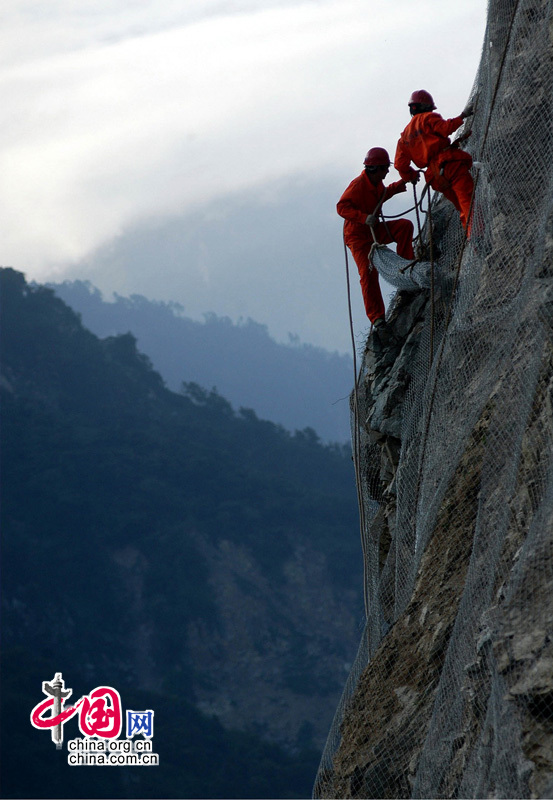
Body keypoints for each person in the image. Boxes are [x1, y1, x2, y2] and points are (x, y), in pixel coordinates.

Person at [337, 147, 414, 328]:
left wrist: (403, 183)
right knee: (368, 273)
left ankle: (407, 272)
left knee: (404, 227)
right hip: (358, 237)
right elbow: (341, 207)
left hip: (373, 229)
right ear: (376, 168)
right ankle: (377, 318)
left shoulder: (376, 183)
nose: (388, 170)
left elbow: (381, 196)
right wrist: (364, 218)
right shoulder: (358, 186)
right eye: (385, 167)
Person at [395, 90, 475, 229]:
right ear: (426, 107)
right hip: (449, 164)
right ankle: (478, 237)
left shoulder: (404, 137)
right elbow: (445, 129)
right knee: (468, 203)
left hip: (435, 177)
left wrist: (411, 176)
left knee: (461, 207)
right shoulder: (428, 118)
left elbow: (400, 164)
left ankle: (472, 239)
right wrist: (463, 115)